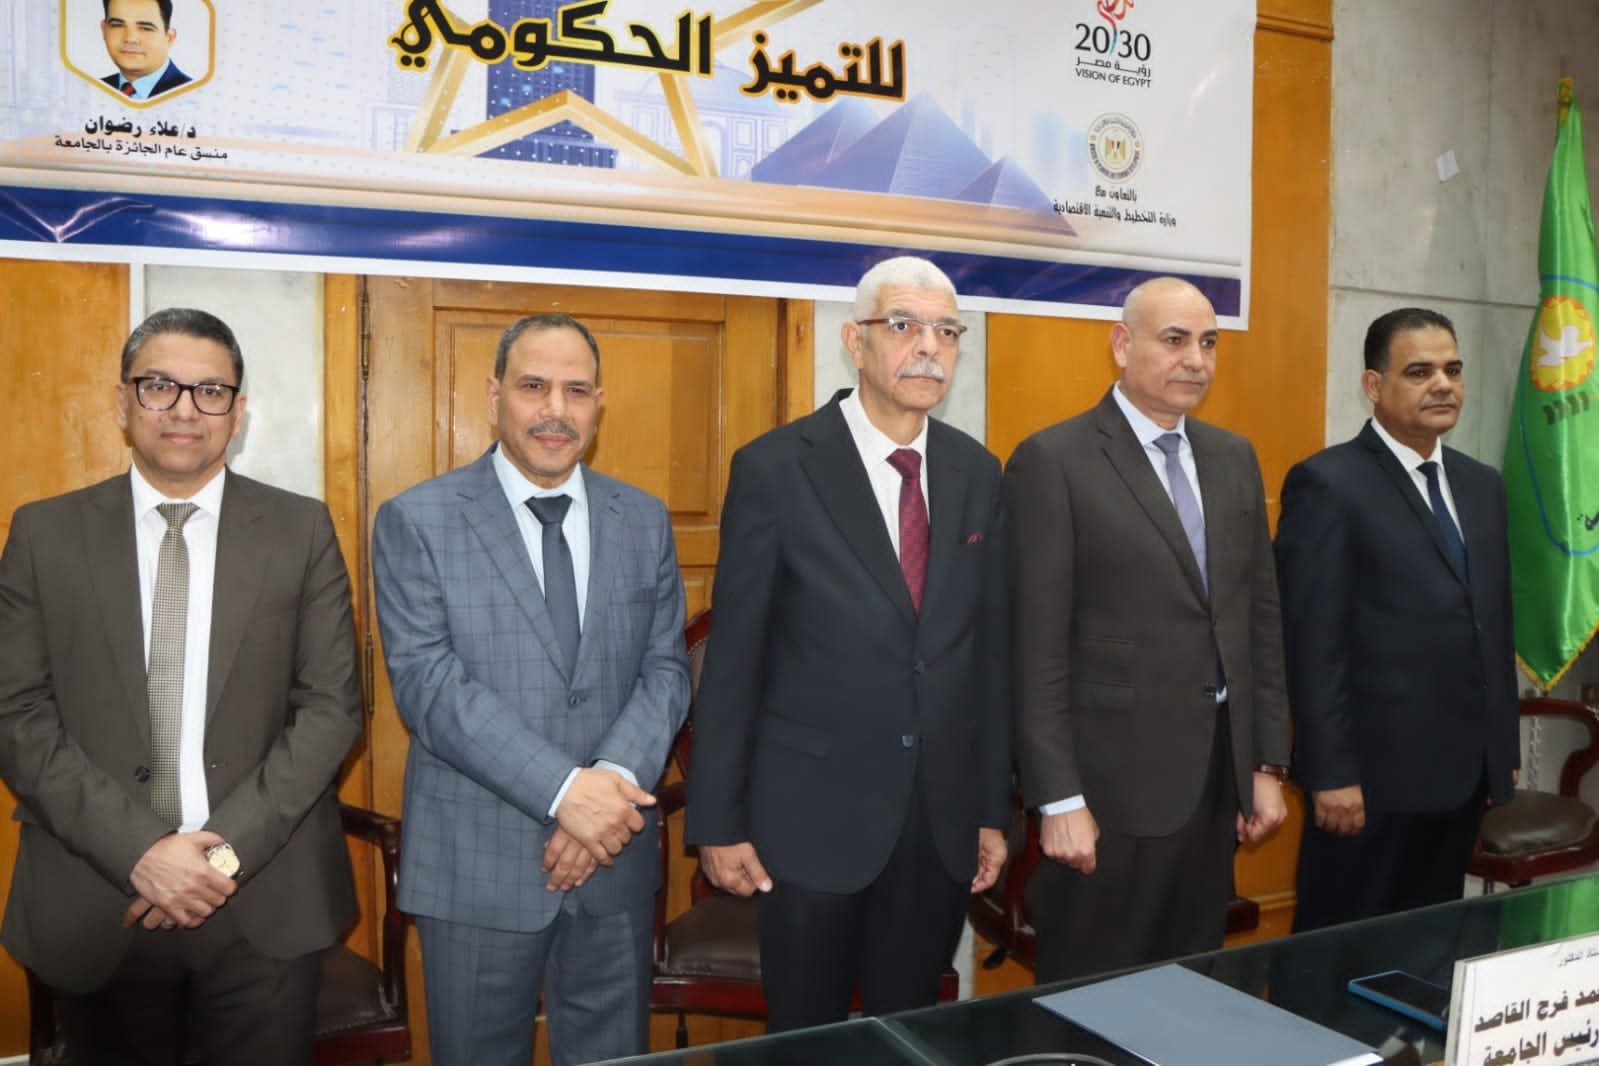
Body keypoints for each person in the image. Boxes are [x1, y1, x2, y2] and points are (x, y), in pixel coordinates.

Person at [0, 308, 363, 1065]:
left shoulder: (300, 530)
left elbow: (331, 709)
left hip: (262, 900)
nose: (185, 410)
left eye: (210, 391)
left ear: (238, 411)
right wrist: (140, 853)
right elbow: (16, 714)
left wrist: (216, 860)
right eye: (159, 386)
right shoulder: (44, 534)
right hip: (99, 898)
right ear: (122, 401)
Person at [685, 256, 1012, 1031]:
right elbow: (733, 660)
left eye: (945, 331)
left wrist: (988, 808)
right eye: (902, 326)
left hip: (937, 823)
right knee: (806, 1038)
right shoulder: (775, 468)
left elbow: (988, 656)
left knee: (910, 1034)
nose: (926, 347)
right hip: (811, 820)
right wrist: (717, 822)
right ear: (854, 341)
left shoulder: (976, 471)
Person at [371, 313, 690, 1066]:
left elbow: (666, 669)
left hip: (612, 862)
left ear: (599, 403)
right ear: (494, 396)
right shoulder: (417, 520)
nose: (555, 410)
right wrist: (565, 793)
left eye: (576, 391)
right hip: (476, 870)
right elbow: (430, 688)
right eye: (533, 386)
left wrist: (605, 788)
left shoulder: (642, 518)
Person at [1004, 276, 1291, 984]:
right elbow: (1034, 649)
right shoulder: (1054, 460)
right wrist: (1058, 800)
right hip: (1105, 796)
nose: (1195, 359)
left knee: (1188, 996)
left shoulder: (1232, 457)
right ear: (1121, 345)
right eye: (1174, 340)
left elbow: (1257, 620)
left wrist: (1264, 765)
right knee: (1092, 1002)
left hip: (1212, 786)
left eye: (1208, 343)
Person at [1275, 308, 1519, 932]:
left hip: (1461, 780)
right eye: (1419, 372)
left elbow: (1492, 625)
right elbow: (1312, 646)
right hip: (1368, 787)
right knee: (1338, 955)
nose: (1442, 385)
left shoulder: (1482, 485)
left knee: (1429, 948)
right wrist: (1330, 773)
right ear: (1374, 385)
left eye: (1452, 370)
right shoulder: (1327, 483)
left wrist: (1501, 753)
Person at [101, 0, 192, 100]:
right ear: (104, 30)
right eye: (117, 25)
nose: (130, 39)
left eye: (145, 28)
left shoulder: (193, 94)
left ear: (169, 37)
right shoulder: (95, 89)